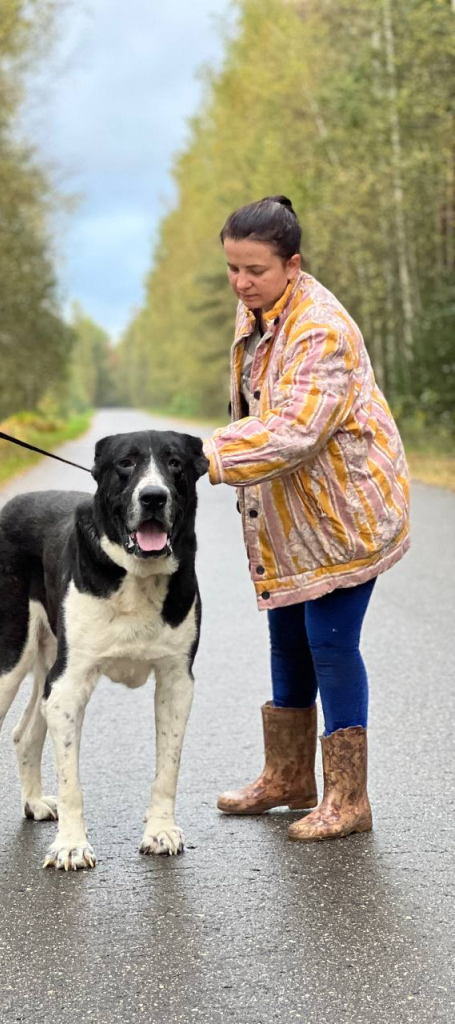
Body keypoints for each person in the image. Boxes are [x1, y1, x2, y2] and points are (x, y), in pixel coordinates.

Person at [202, 196, 410, 841]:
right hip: (292, 509)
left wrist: (206, 455)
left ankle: (350, 800)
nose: (241, 283)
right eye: (233, 269)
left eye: (255, 270)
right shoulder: (259, 309)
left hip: (346, 508)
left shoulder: (319, 327)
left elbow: (295, 431)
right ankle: (289, 778)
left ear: (293, 265)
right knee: (286, 634)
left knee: (328, 641)